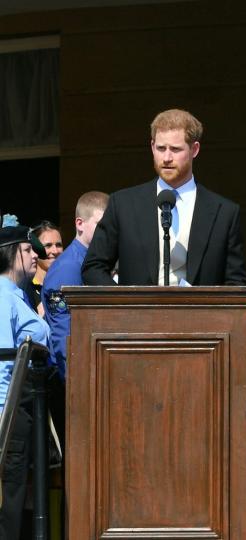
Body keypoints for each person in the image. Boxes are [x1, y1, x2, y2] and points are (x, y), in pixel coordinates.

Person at [81, 108, 246, 286]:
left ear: (194, 149)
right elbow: (93, 267)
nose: (166, 157)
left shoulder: (224, 213)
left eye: (175, 149)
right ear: (152, 147)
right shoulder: (123, 204)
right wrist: (123, 304)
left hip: (199, 313)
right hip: (137, 312)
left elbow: (236, 282)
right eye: (161, 148)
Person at [0, 220, 51, 540]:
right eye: (28, 249)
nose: (36, 256)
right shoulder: (4, 299)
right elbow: (3, 363)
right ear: (10, 254)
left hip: (24, 410)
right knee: (7, 506)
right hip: (11, 414)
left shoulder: (18, 296)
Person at [41, 191, 108, 380]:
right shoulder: (68, 267)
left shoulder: (92, 261)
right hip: (72, 376)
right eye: (101, 225)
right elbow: (65, 334)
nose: (108, 231)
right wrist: (76, 385)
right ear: (80, 224)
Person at [28, 220, 63, 316]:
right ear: (35, 248)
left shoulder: (68, 282)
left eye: (59, 245)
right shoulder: (26, 288)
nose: (55, 251)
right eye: (48, 245)